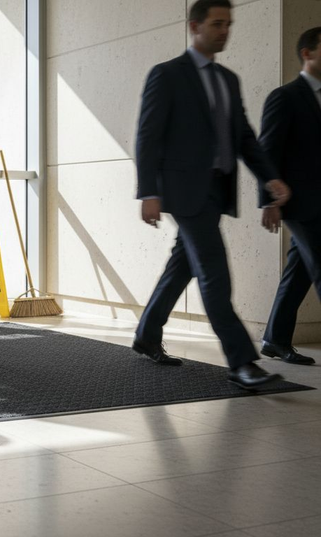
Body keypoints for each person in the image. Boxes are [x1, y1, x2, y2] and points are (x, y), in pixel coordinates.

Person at [132, 0, 292, 389]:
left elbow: (244, 139)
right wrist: (148, 191)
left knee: (182, 266)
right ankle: (242, 363)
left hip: (216, 190)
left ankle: (147, 334)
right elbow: (148, 137)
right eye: (217, 24)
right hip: (185, 192)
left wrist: (270, 179)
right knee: (215, 274)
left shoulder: (228, 79)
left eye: (228, 24)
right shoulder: (167, 75)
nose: (225, 31)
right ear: (195, 26)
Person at [258, 26, 321, 367]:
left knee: (298, 271)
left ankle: (274, 338)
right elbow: (267, 150)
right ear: (307, 53)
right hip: (298, 202)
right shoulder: (285, 97)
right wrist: (269, 200)